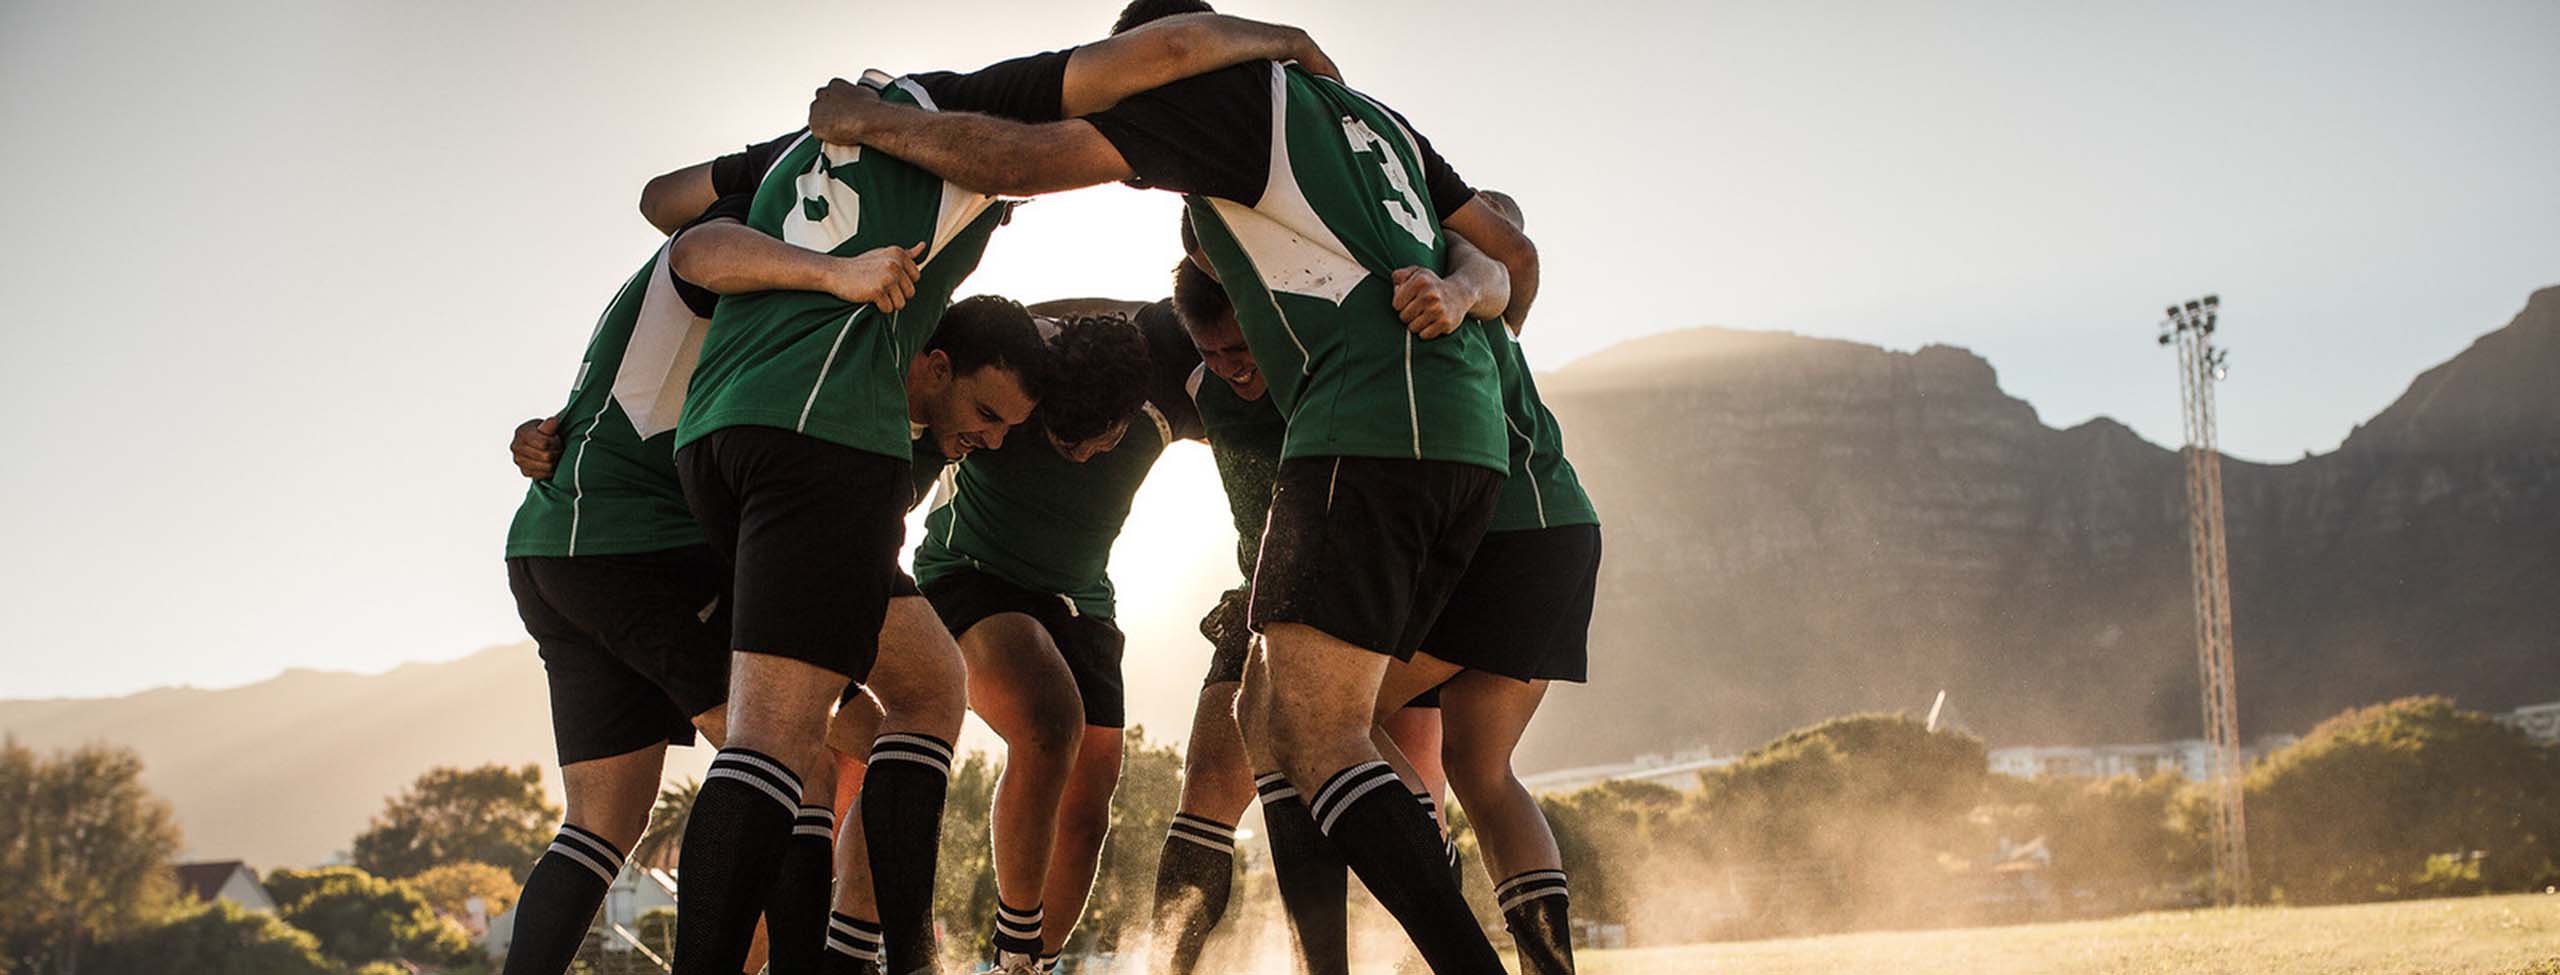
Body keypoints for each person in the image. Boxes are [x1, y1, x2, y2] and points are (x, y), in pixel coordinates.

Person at [666, 15, 1348, 975]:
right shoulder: (974, 113)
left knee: (920, 707)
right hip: (831, 450)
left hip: (727, 439)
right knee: (804, 743)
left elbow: (676, 222)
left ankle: (971, 959)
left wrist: (834, 194)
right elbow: (1145, 68)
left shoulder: (820, 151)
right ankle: (877, 953)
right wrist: (1279, 38)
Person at [499, 129, 920, 975]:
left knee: (603, 821)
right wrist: (838, 272)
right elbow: (694, 243)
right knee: (789, 746)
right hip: (623, 546)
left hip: (564, 546)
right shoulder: (744, 247)